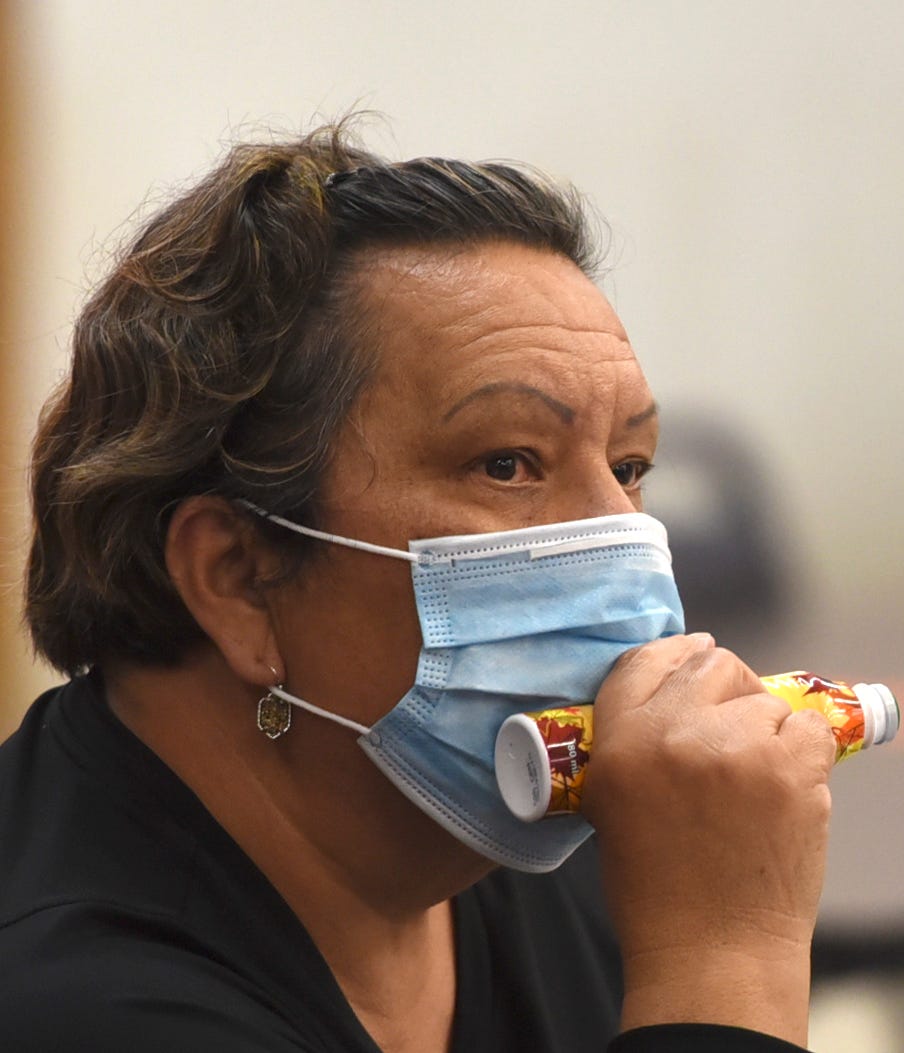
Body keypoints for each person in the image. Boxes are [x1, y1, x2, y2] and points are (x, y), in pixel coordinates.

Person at [0, 122, 838, 1052]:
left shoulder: (543, 853)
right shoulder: (70, 1000)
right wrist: (722, 959)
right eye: (509, 462)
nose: (624, 541)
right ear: (238, 577)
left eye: (631, 466)